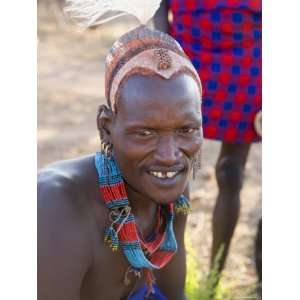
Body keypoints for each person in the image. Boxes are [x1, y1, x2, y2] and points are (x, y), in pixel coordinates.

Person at [38, 26, 203, 300]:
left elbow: (175, 296)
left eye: (186, 130)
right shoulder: (56, 207)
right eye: (145, 133)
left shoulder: (171, 196)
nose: (169, 155)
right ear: (106, 128)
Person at [154, 0, 262, 275]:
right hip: (187, 50)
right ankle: (167, 275)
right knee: (171, 168)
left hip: (248, 54)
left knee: (231, 173)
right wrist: (165, 46)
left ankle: (213, 279)